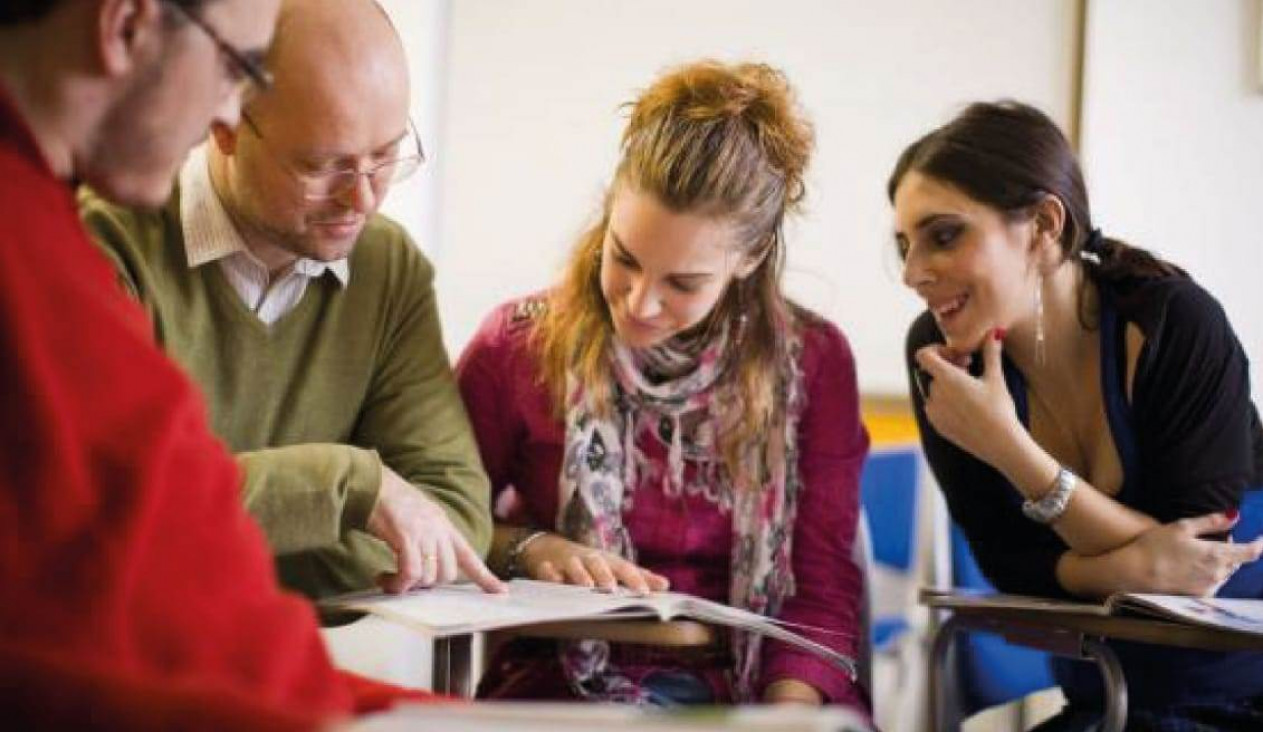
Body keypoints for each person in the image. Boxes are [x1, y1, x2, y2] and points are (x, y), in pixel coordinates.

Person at [0, 0, 434, 726]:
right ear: (127, 26)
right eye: (237, 66)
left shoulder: (42, 233)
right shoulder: (39, 267)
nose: (225, 119)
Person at [456, 60, 870, 712]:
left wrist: (787, 721)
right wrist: (530, 547)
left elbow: (815, 587)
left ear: (750, 258)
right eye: (622, 258)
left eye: (682, 284)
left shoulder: (814, 362)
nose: (639, 304)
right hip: (558, 686)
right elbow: (442, 517)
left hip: (754, 693)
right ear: (608, 206)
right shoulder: (515, 345)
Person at [79, 0, 500, 598]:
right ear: (223, 121)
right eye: (322, 165)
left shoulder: (387, 265)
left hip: (308, 670)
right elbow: (111, 514)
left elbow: (452, 519)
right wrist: (350, 488)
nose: (363, 200)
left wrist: (214, 526)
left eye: (385, 155)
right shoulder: (104, 244)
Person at [892, 100, 1263, 730]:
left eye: (944, 234)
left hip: (1239, 698)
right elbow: (1006, 563)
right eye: (904, 245)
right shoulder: (941, 358)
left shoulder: (1175, 323)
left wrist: (1011, 449)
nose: (911, 272)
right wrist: (1132, 568)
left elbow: (1194, 566)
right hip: (1105, 700)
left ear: (1043, 224)